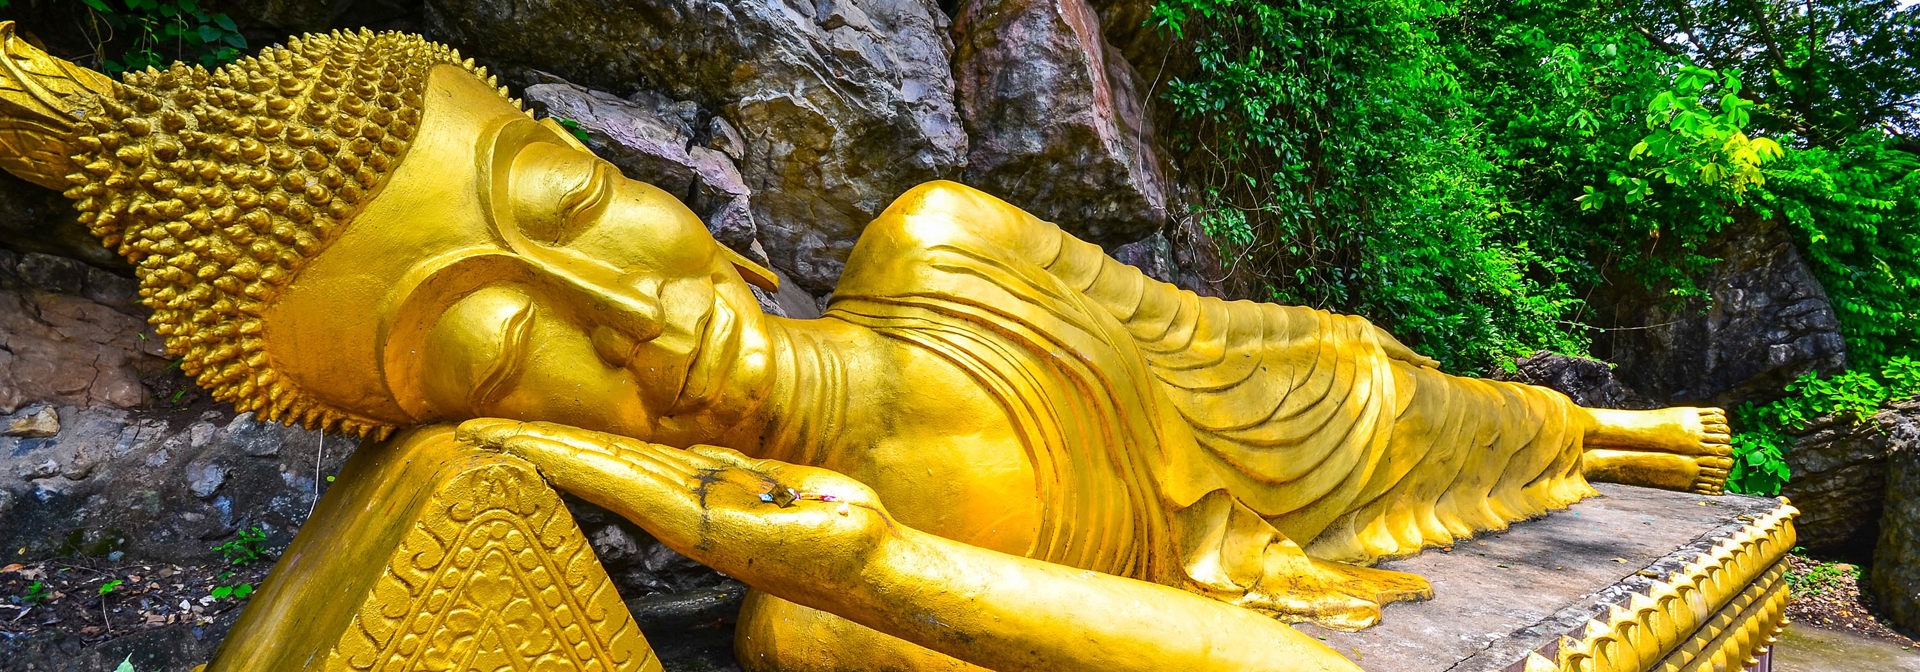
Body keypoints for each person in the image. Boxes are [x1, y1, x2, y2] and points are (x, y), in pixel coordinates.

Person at [0, 25, 1733, 671]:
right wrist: (888, 566)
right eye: (497, 348)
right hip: (1063, 569)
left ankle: (1616, 435)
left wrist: (1356, 433)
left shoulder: (941, 238)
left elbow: (1241, 353)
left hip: (1298, 427)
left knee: (1395, 383)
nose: (633, 311)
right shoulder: (829, 619)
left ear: (613, 163)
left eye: (567, 203)